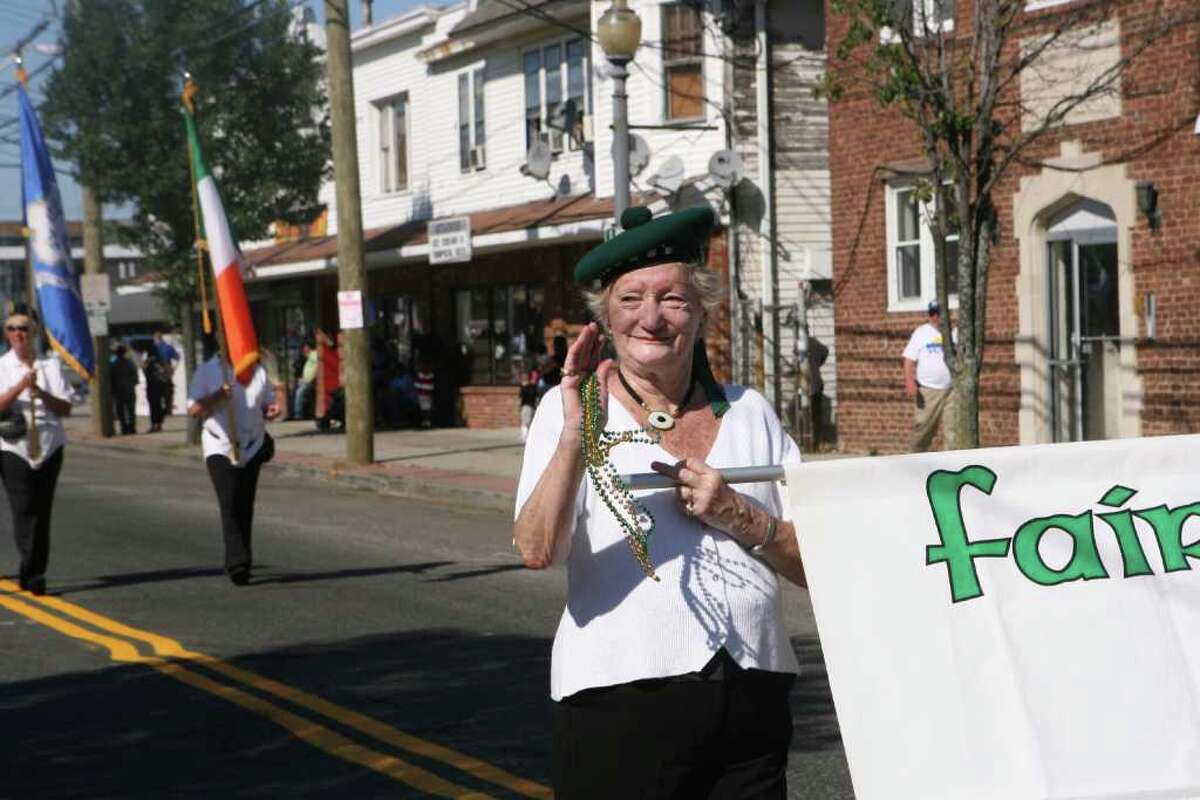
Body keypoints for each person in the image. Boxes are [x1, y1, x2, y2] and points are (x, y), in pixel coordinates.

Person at [513, 206, 807, 798]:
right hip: (619, 700)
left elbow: (814, 562)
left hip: (752, 697)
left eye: (672, 299)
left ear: (701, 312)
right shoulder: (571, 411)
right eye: (630, 300)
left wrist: (740, 515)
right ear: (606, 318)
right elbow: (537, 548)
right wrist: (575, 437)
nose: (651, 318)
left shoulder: (749, 412)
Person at [188, 334, 281, 586]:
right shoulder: (207, 371)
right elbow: (194, 409)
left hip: (252, 445)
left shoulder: (257, 371)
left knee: (245, 503)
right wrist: (218, 395)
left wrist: (271, 409)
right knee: (229, 501)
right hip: (220, 445)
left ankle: (244, 558)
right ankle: (237, 562)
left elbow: (268, 403)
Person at [0, 307, 73, 596]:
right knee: (24, 507)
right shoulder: (3, 366)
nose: (18, 334)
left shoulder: (51, 366)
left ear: (34, 332)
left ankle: (34, 570)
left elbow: (65, 408)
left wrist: (40, 392)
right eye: (12, 329)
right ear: (6, 334)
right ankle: (31, 571)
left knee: (42, 510)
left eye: (24, 328)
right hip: (14, 444)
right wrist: (21, 386)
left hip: (49, 442)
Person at [903, 300, 956, 452]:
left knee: (953, 431)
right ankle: (913, 459)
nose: (935, 317)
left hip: (952, 390)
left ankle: (953, 463)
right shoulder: (921, 333)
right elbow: (908, 359)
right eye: (933, 313)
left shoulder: (954, 333)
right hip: (928, 391)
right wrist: (909, 381)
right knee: (923, 430)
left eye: (938, 313)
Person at [110, 342, 138, 435]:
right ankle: (132, 428)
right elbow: (135, 378)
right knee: (131, 410)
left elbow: (111, 378)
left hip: (118, 391)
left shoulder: (113, 365)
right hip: (129, 389)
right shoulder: (130, 364)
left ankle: (124, 428)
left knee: (120, 411)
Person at [143, 349, 170, 432]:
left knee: (153, 407)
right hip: (162, 388)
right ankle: (159, 424)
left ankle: (154, 425)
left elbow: (145, 373)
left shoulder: (148, 363)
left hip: (152, 388)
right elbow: (167, 373)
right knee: (160, 406)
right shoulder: (161, 362)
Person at [153, 331, 180, 415]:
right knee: (168, 390)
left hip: (157, 371)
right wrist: (173, 369)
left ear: (156, 339)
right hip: (167, 370)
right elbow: (177, 358)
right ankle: (168, 410)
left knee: (157, 391)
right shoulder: (168, 347)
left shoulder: (154, 348)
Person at [519, 367, 540, 442]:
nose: (524, 377)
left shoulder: (531, 386)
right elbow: (521, 397)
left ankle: (526, 436)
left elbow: (536, 397)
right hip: (527, 406)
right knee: (526, 422)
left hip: (530, 406)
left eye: (525, 376)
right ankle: (525, 436)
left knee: (528, 422)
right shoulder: (525, 386)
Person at [414, 360, 434, 429]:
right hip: (421, 395)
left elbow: (432, 386)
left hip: (428, 395)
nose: (425, 368)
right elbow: (417, 386)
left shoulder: (431, 375)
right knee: (423, 410)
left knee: (428, 409)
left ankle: (428, 422)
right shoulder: (419, 375)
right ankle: (424, 422)